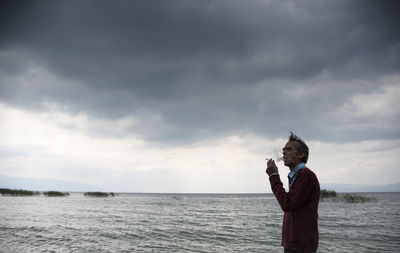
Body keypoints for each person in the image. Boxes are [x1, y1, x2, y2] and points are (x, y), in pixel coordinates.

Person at [266, 132, 320, 253]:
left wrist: (274, 176)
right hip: (295, 243)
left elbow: (287, 204)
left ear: (301, 154)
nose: (284, 152)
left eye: (289, 149)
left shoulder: (306, 175)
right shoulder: (297, 175)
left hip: (301, 245)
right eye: (283, 150)